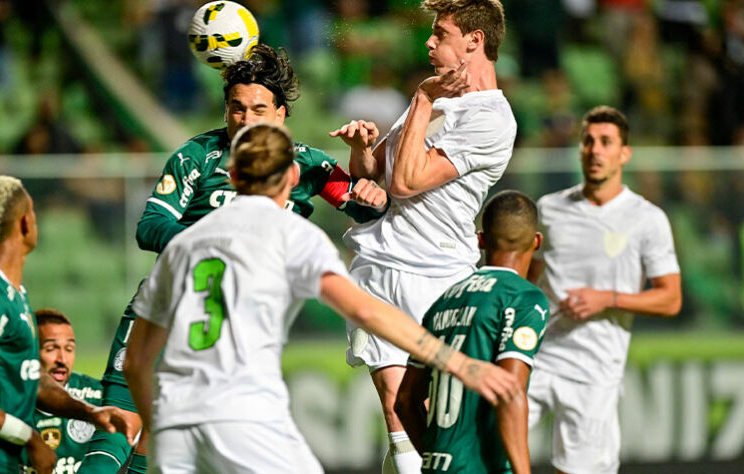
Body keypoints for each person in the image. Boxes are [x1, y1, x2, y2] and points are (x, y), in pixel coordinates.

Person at [122, 122, 522, 474]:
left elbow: (137, 361)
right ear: (294, 175)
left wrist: (160, 425)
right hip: (242, 413)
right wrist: (456, 362)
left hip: (173, 425)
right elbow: (365, 309)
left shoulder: (183, 245)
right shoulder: (290, 233)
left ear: (231, 174)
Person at [78, 44, 388, 474]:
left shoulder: (306, 165)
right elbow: (150, 226)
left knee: (163, 438)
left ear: (281, 114)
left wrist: (368, 179)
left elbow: (364, 207)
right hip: (169, 301)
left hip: (233, 326)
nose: (245, 120)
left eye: (258, 109)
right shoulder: (195, 156)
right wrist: (217, 245)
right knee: (122, 425)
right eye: (236, 109)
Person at [329, 0, 516, 471]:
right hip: (381, 269)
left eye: (441, 34)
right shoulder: (432, 98)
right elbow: (378, 173)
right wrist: (362, 151)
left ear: (474, 40)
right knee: (398, 410)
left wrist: (423, 99)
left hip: (441, 281)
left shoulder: (490, 117)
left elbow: (408, 181)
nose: (429, 43)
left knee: (433, 425)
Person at [0, 176, 126, 474]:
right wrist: (30, 438)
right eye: (33, 212)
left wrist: (88, 412)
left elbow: (32, 378)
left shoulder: (13, 292)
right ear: (24, 223)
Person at [526, 106, 682, 474]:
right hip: (535, 356)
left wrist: (606, 299)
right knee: (485, 449)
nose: (595, 150)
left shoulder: (647, 218)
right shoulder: (549, 209)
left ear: (623, 153)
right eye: (588, 141)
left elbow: (671, 298)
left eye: (606, 142)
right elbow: (529, 278)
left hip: (595, 368)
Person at [396, 190, 548, 474]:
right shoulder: (524, 299)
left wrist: (434, 458)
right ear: (536, 241)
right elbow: (509, 391)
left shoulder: (444, 301)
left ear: (480, 239)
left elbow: (405, 400)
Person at [34, 308, 104, 474]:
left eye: (69, 349)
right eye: (51, 349)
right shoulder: (11, 402)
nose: (62, 359)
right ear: (29, 351)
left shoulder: (96, 396)